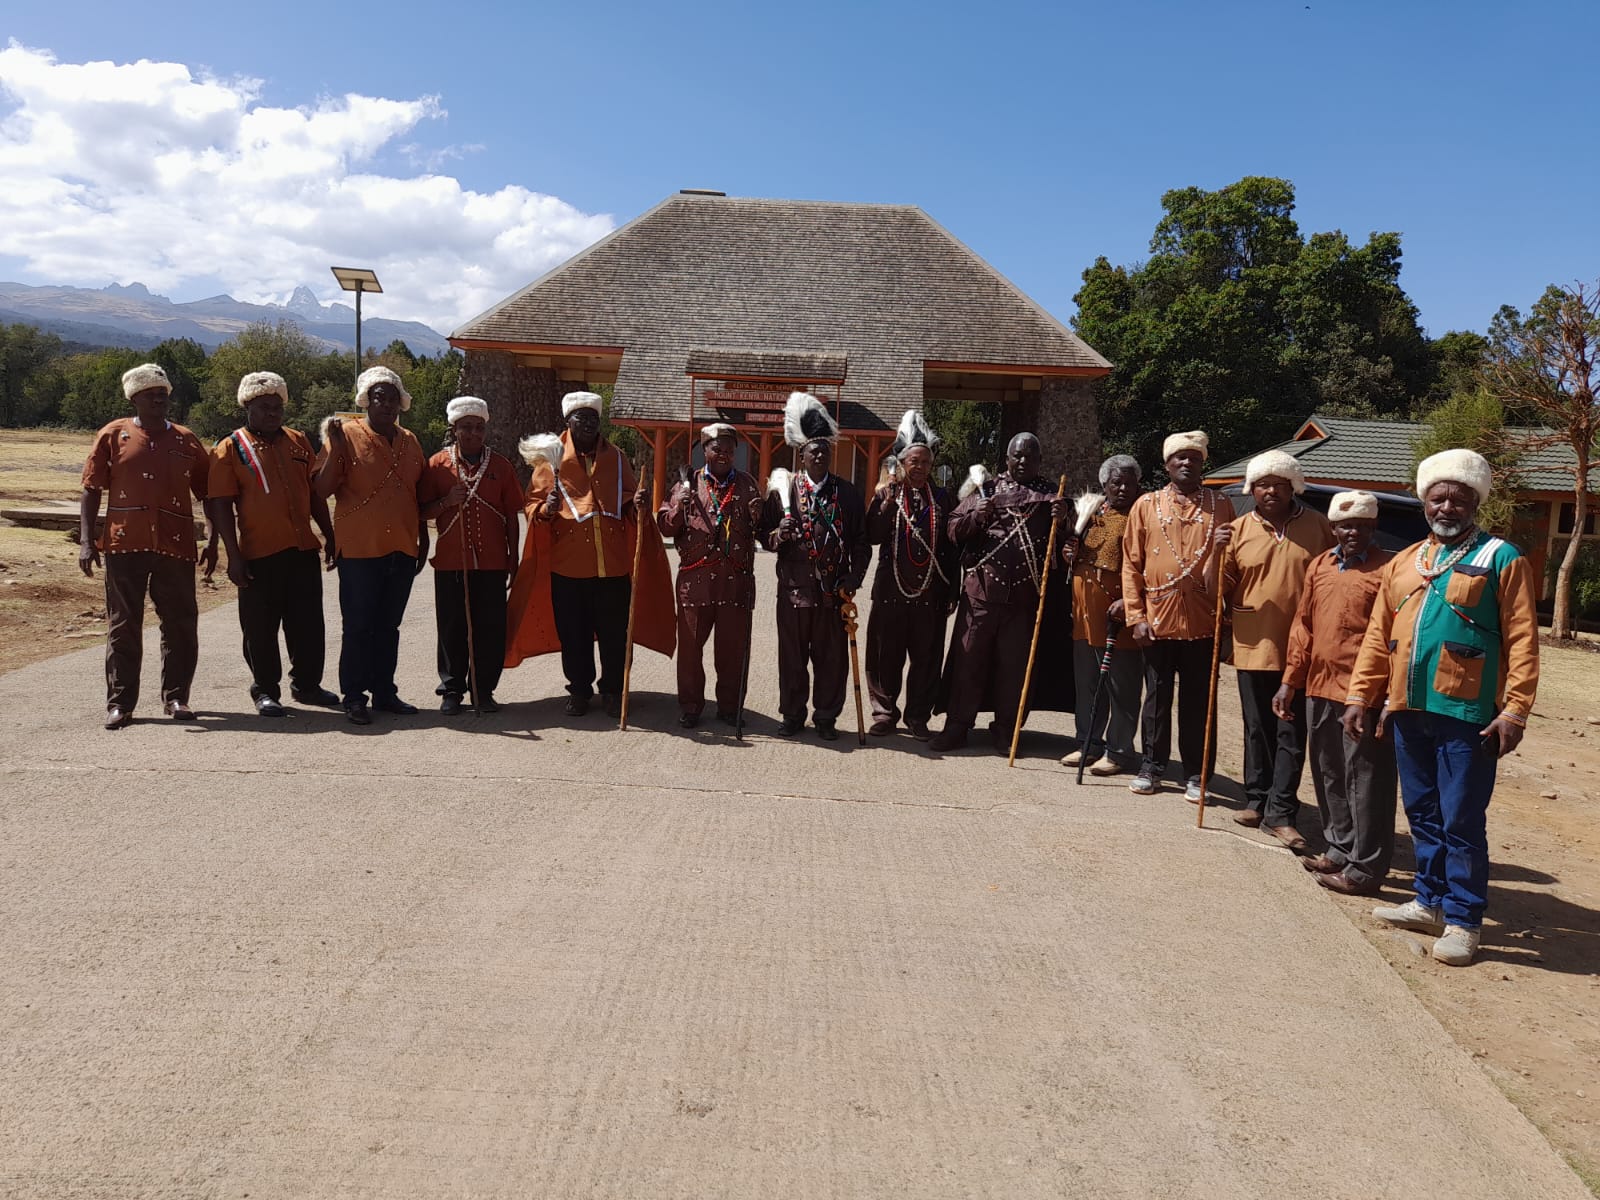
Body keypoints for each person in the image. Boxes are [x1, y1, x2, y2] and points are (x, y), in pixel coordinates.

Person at [1344, 450, 1539, 967]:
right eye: (1438, 496)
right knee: (1423, 812)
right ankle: (1428, 902)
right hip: (1409, 707)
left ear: (1475, 502)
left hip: (1470, 714)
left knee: (1462, 819)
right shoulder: (1406, 561)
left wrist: (1516, 709)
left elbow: (1522, 638)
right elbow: (1377, 636)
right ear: (1424, 500)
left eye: (1459, 497)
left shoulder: (1502, 557)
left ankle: (1464, 919)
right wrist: (1362, 695)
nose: (1447, 505)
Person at [507, 391, 675, 718]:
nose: (587, 423)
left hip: (612, 566)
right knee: (575, 635)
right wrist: (545, 508)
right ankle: (579, 691)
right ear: (567, 422)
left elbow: (626, 498)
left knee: (616, 634)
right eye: (580, 418)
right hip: (568, 567)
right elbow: (531, 504)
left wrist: (636, 503)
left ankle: (613, 690)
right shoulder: (550, 459)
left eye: (593, 418)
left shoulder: (616, 457)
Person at [79, 363, 216, 728]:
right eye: (150, 391)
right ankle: (120, 703)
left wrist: (214, 537)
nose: (159, 396)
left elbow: (210, 493)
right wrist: (86, 540)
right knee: (124, 624)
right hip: (125, 543)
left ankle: (177, 698)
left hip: (176, 545)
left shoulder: (186, 440)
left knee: (181, 624)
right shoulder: (113, 435)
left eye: (163, 391)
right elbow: (91, 488)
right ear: (134, 397)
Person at [1209, 450, 1334, 846]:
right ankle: (1256, 800)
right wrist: (1215, 550)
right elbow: (1216, 589)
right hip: (1251, 644)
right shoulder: (1238, 528)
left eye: (1279, 484)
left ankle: (1282, 812)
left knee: (1291, 732)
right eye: (1263, 484)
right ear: (1252, 488)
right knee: (1255, 728)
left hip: (1302, 649)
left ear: (1294, 486)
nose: (1270, 491)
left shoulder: (1318, 526)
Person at [1275, 491, 1397, 895]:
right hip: (1319, 686)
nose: (1353, 533)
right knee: (1328, 771)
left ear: (1373, 528)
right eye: (1345, 525)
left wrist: (1377, 696)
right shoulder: (1319, 566)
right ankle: (1339, 848)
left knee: (1365, 779)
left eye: (1362, 526)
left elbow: (1390, 638)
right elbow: (1302, 627)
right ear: (1333, 528)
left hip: (1363, 694)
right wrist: (1290, 680)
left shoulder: (1388, 570)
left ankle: (1365, 868)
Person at [205, 371, 339, 717]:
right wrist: (231, 556)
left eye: (277, 406)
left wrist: (329, 534)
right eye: (264, 407)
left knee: (308, 624)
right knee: (260, 628)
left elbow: (313, 493)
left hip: (302, 550)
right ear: (247, 407)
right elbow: (219, 503)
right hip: (258, 554)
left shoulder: (297, 440)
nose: (272, 413)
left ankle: (307, 685)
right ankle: (265, 690)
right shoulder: (230, 447)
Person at [930, 432, 1070, 754]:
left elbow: (1069, 544)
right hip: (981, 595)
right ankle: (957, 727)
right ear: (1006, 459)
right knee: (969, 664)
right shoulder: (987, 490)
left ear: (1039, 461)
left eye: (1030, 456)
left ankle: (1006, 730)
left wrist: (1063, 522)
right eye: (1017, 456)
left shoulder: (1052, 495)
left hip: (1023, 602)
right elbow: (953, 530)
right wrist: (977, 516)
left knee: (1014, 669)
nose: (1023, 461)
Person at [1121, 431, 1236, 797]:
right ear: (1167, 464)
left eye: (1194, 458)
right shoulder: (1146, 504)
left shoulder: (1221, 505)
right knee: (1156, 696)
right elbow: (1131, 564)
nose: (1187, 463)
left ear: (1203, 463)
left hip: (1203, 620)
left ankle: (1196, 774)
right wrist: (1136, 616)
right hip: (1157, 617)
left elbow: (1233, 566)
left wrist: (1229, 620)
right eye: (1179, 458)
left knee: (1198, 701)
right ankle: (1152, 767)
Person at [314, 365, 428, 725]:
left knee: (388, 625)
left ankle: (384, 692)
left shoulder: (410, 440)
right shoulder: (345, 434)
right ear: (366, 400)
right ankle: (354, 696)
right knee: (359, 625)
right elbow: (321, 488)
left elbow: (418, 493)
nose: (386, 403)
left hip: (402, 545)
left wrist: (423, 539)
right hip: (361, 547)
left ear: (401, 402)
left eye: (392, 397)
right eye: (379, 396)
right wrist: (333, 447)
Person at [759, 391, 870, 740]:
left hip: (833, 592)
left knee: (830, 660)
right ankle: (792, 715)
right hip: (792, 592)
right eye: (813, 450)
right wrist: (780, 532)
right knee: (792, 659)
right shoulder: (784, 490)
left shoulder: (847, 493)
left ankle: (825, 717)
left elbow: (861, 542)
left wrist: (854, 576)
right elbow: (764, 535)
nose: (819, 455)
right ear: (801, 453)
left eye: (824, 449)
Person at [419, 397, 523, 715]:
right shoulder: (436, 465)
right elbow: (421, 511)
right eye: (466, 427)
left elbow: (510, 516)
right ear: (454, 429)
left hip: (492, 563)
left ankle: (484, 690)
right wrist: (447, 502)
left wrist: (513, 559)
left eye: (479, 427)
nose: (473, 434)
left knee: (489, 628)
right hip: (451, 561)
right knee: (452, 627)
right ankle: (452, 691)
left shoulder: (502, 466)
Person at [656, 422, 763, 729]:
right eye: (717, 448)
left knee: (732, 651)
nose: (724, 454)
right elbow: (664, 525)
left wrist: (759, 515)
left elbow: (762, 528)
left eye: (729, 449)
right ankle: (690, 706)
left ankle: (730, 707)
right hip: (695, 583)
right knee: (690, 651)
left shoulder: (747, 484)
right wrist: (679, 509)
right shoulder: (686, 485)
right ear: (704, 451)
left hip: (735, 582)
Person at [864, 411, 959, 740]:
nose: (919, 468)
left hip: (929, 595)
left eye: (925, 463)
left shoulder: (944, 500)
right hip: (890, 591)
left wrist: (952, 591)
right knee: (885, 656)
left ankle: (917, 717)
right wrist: (886, 506)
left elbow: (952, 549)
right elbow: (872, 536)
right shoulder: (885, 495)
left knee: (926, 659)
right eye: (913, 462)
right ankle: (885, 713)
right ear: (902, 463)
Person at [1060, 454, 1143, 776]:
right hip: (1084, 612)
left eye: (1129, 482)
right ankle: (1088, 742)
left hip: (1119, 611)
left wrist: (1129, 601)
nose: (1122, 488)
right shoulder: (1094, 510)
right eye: (1116, 482)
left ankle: (1120, 750)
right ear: (1104, 484)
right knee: (1088, 683)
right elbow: (1079, 554)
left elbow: (1147, 565)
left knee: (1121, 685)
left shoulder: (1141, 514)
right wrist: (1069, 554)